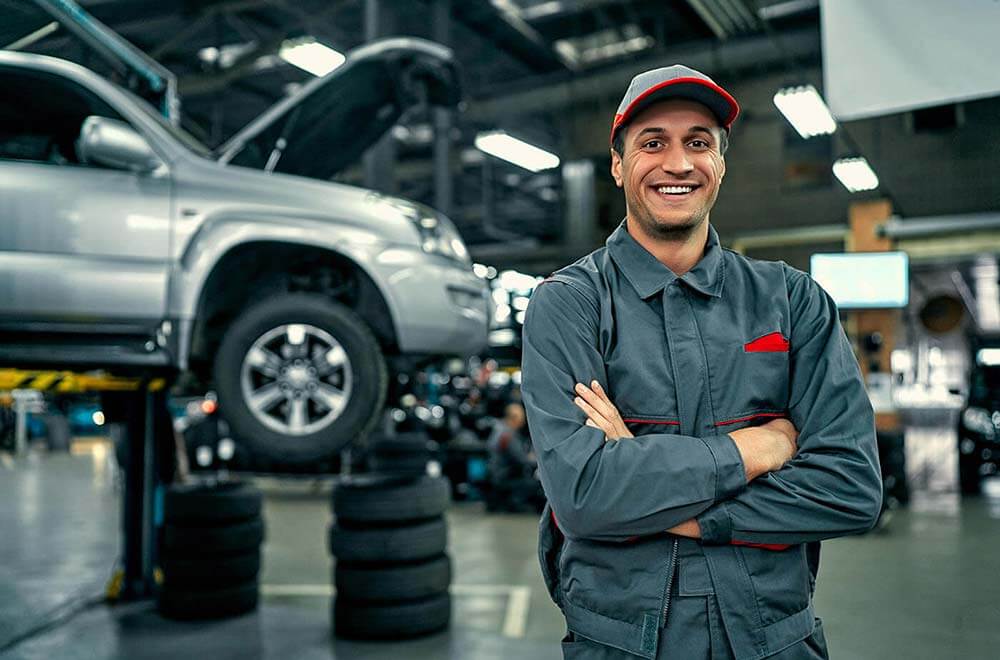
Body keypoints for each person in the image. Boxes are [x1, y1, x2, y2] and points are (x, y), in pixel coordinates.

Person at [521, 64, 882, 659]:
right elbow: (582, 494)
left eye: (698, 142)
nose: (679, 163)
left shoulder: (792, 302)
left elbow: (850, 487)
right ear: (618, 165)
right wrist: (758, 449)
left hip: (774, 640)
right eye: (652, 143)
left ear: (721, 164)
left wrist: (665, 500)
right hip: (621, 644)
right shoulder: (570, 304)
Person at [485, 401, 543, 512]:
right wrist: (541, 461)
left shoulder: (499, 429)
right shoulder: (508, 435)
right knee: (539, 484)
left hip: (496, 474)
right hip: (505, 477)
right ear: (515, 418)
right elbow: (522, 460)